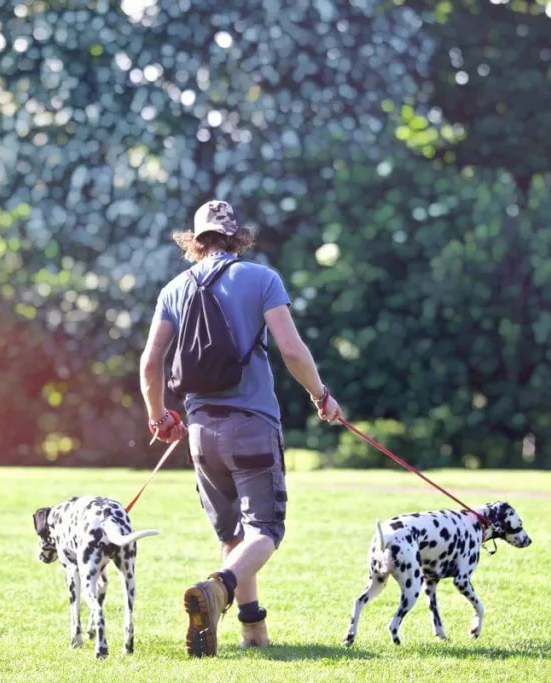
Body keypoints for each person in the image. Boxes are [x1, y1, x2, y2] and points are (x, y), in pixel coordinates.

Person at [139, 199, 343, 658]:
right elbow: (291, 350)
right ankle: (219, 588)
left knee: (232, 533)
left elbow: (151, 361)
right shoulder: (261, 278)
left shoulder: (174, 288)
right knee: (266, 529)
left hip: (200, 433)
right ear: (238, 238)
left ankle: (252, 630)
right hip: (251, 423)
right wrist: (320, 395)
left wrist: (158, 415)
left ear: (195, 241)